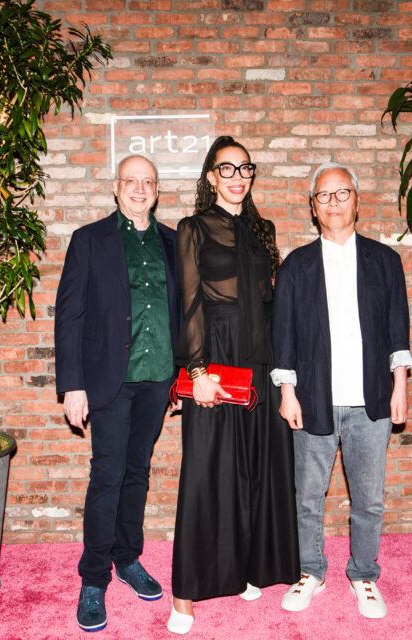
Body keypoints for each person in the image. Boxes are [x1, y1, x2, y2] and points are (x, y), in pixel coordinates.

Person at [167, 136, 300, 634]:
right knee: (205, 472)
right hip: (216, 360)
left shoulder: (263, 230)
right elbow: (190, 302)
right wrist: (197, 372)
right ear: (210, 176)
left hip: (261, 361)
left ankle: (246, 568)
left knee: (256, 470)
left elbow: (273, 304)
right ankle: (184, 595)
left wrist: (285, 374)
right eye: (227, 168)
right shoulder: (193, 229)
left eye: (246, 168)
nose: (238, 176)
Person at [271, 162, 412, 619]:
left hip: (371, 401)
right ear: (313, 207)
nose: (333, 202)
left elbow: (398, 332)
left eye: (342, 193)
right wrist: (287, 392)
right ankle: (311, 571)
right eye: (324, 196)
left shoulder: (384, 261)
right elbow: (284, 337)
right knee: (307, 496)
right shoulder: (296, 265)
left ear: (357, 200)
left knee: (368, 499)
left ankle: (364, 574)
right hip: (313, 401)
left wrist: (400, 387)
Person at [54, 155, 181, 632]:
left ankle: (128, 558)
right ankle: (93, 578)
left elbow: (184, 313)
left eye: (148, 181)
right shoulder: (90, 240)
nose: (139, 189)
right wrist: (72, 384)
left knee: (137, 473)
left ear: (157, 189)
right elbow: (69, 316)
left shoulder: (172, 242)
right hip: (109, 379)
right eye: (131, 181)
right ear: (115, 187)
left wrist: (184, 377)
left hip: (157, 379)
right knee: (107, 476)